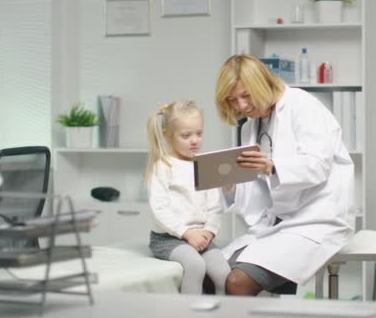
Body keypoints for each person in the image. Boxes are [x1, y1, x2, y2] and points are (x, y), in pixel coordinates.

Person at [214, 54, 354, 296]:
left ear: (262, 83)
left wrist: (273, 167)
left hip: (316, 222)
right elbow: (259, 193)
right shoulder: (251, 125)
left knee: (238, 282)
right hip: (276, 225)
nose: (242, 106)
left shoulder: (301, 104)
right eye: (233, 100)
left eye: (246, 95)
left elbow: (318, 165)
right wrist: (231, 186)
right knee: (214, 275)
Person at [145, 100, 230, 295]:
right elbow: (160, 209)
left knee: (223, 272)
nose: (195, 140)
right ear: (168, 135)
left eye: (199, 133)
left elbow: (214, 207)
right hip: (169, 238)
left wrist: (209, 231)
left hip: (202, 237)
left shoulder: (205, 164)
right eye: (186, 135)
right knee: (195, 266)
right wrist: (186, 233)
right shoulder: (164, 165)